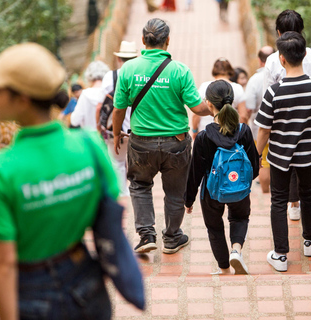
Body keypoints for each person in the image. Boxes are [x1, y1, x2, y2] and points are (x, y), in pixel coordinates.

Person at [0, 43, 119, 319]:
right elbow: (111, 208)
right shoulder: (89, 145)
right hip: (87, 281)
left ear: (22, 99)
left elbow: (3, 264)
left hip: (32, 291)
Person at [112, 18, 212, 254]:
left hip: (141, 143)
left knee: (139, 185)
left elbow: (119, 109)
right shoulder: (179, 70)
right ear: (167, 41)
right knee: (175, 192)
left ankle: (147, 235)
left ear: (143, 41)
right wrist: (220, 110)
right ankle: (172, 237)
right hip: (175, 144)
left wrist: (116, 134)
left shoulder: (128, 69)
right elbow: (197, 108)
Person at [255, 31, 311, 272]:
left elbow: (264, 130)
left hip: (280, 157)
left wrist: (257, 153)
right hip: (309, 155)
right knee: (309, 195)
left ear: (281, 59)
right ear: (304, 55)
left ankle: (280, 255)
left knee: (279, 201)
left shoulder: (274, 92)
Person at [263, 9, 311, 221]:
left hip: (283, 121)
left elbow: (269, 96)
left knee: (288, 162)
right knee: (309, 163)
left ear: (278, 33)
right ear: (301, 32)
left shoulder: (274, 60)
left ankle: (293, 205)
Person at [185, 80, 259, 275]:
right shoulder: (244, 131)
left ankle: (224, 268)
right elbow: (254, 166)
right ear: (232, 101)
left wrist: (188, 199)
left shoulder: (203, 137)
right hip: (240, 188)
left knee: (214, 227)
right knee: (240, 217)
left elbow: (195, 172)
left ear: (209, 104)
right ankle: (236, 250)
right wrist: (239, 182)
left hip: (212, 191)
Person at [97, 41, 138, 197]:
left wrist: (99, 126)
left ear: (120, 59)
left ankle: (122, 193)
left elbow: (102, 104)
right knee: (137, 164)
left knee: (118, 163)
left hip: (117, 129)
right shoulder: (140, 76)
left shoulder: (110, 77)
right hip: (137, 128)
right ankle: (137, 191)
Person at [192, 58, 248, 138]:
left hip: (206, 132)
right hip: (230, 133)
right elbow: (243, 116)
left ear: (214, 71)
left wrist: (195, 130)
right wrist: (240, 133)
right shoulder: (238, 88)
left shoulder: (204, 86)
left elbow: (197, 113)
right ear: (230, 70)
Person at [245, 46, 275, 193]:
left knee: (263, 161)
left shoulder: (254, 80)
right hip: (282, 127)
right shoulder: (281, 74)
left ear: (259, 60)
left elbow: (249, 107)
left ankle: (265, 193)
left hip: (260, 127)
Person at [70, 60, 109, 129]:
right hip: (107, 137)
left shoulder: (85, 94)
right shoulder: (110, 93)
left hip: (90, 137)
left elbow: (75, 121)